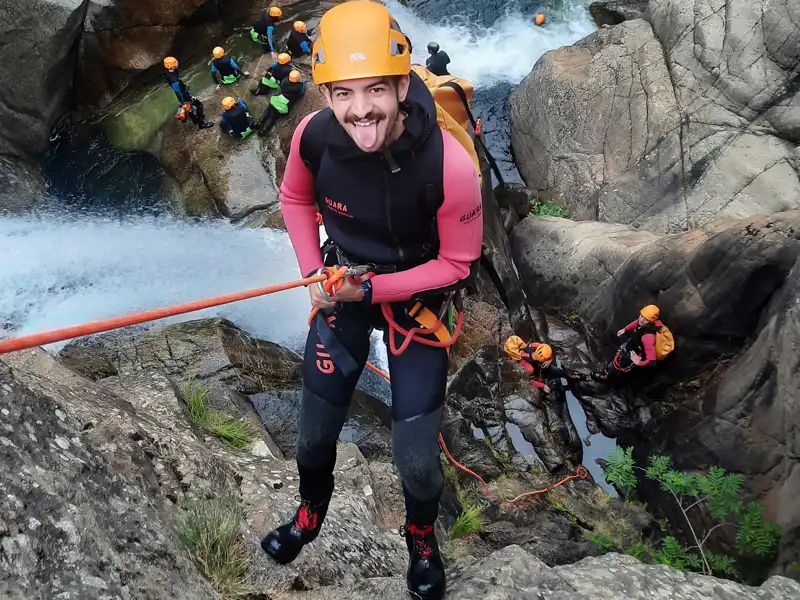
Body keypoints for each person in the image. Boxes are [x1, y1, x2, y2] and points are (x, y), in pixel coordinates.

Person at [259, 3, 483, 600]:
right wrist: (313, 274)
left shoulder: (449, 166)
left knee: (415, 460)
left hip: (417, 301)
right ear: (327, 93)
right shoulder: (314, 138)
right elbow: (294, 201)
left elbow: (459, 263)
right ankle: (310, 513)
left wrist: (374, 288)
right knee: (312, 435)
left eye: (377, 89)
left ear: (403, 84)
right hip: (343, 288)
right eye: (344, 93)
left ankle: (421, 541)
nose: (361, 110)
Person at [592, 304, 663, 381]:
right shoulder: (644, 324)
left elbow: (652, 361)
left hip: (632, 354)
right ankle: (609, 371)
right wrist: (625, 329)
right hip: (631, 347)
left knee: (620, 365)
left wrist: (638, 362)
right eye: (641, 316)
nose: (642, 320)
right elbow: (637, 323)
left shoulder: (648, 337)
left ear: (651, 321)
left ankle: (608, 376)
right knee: (617, 360)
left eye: (646, 319)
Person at [504, 336, 584, 393]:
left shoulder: (535, 346)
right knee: (553, 387)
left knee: (558, 371)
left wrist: (549, 361)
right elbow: (528, 381)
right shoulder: (528, 368)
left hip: (542, 369)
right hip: (537, 375)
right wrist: (542, 386)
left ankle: (570, 376)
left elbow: (547, 353)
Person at [163, 56, 214, 130]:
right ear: (172, 66)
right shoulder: (174, 80)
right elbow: (178, 92)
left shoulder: (168, 71)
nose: (177, 64)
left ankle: (195, 119)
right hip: (184, 95)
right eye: (175, 64)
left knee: (190, 108)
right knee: (199, 105)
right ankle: (201, 124)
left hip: (182, 91)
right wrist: (184, 103)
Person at [255, 69, 306, 135]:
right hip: (283, 106)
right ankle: (263, 131)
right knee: (272, 117)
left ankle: (259, 123)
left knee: (268, 110)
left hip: (276, 99)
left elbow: (280, 86)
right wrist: (303, 82)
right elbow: (301, 93)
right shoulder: (300, 86)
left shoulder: (284, 80)